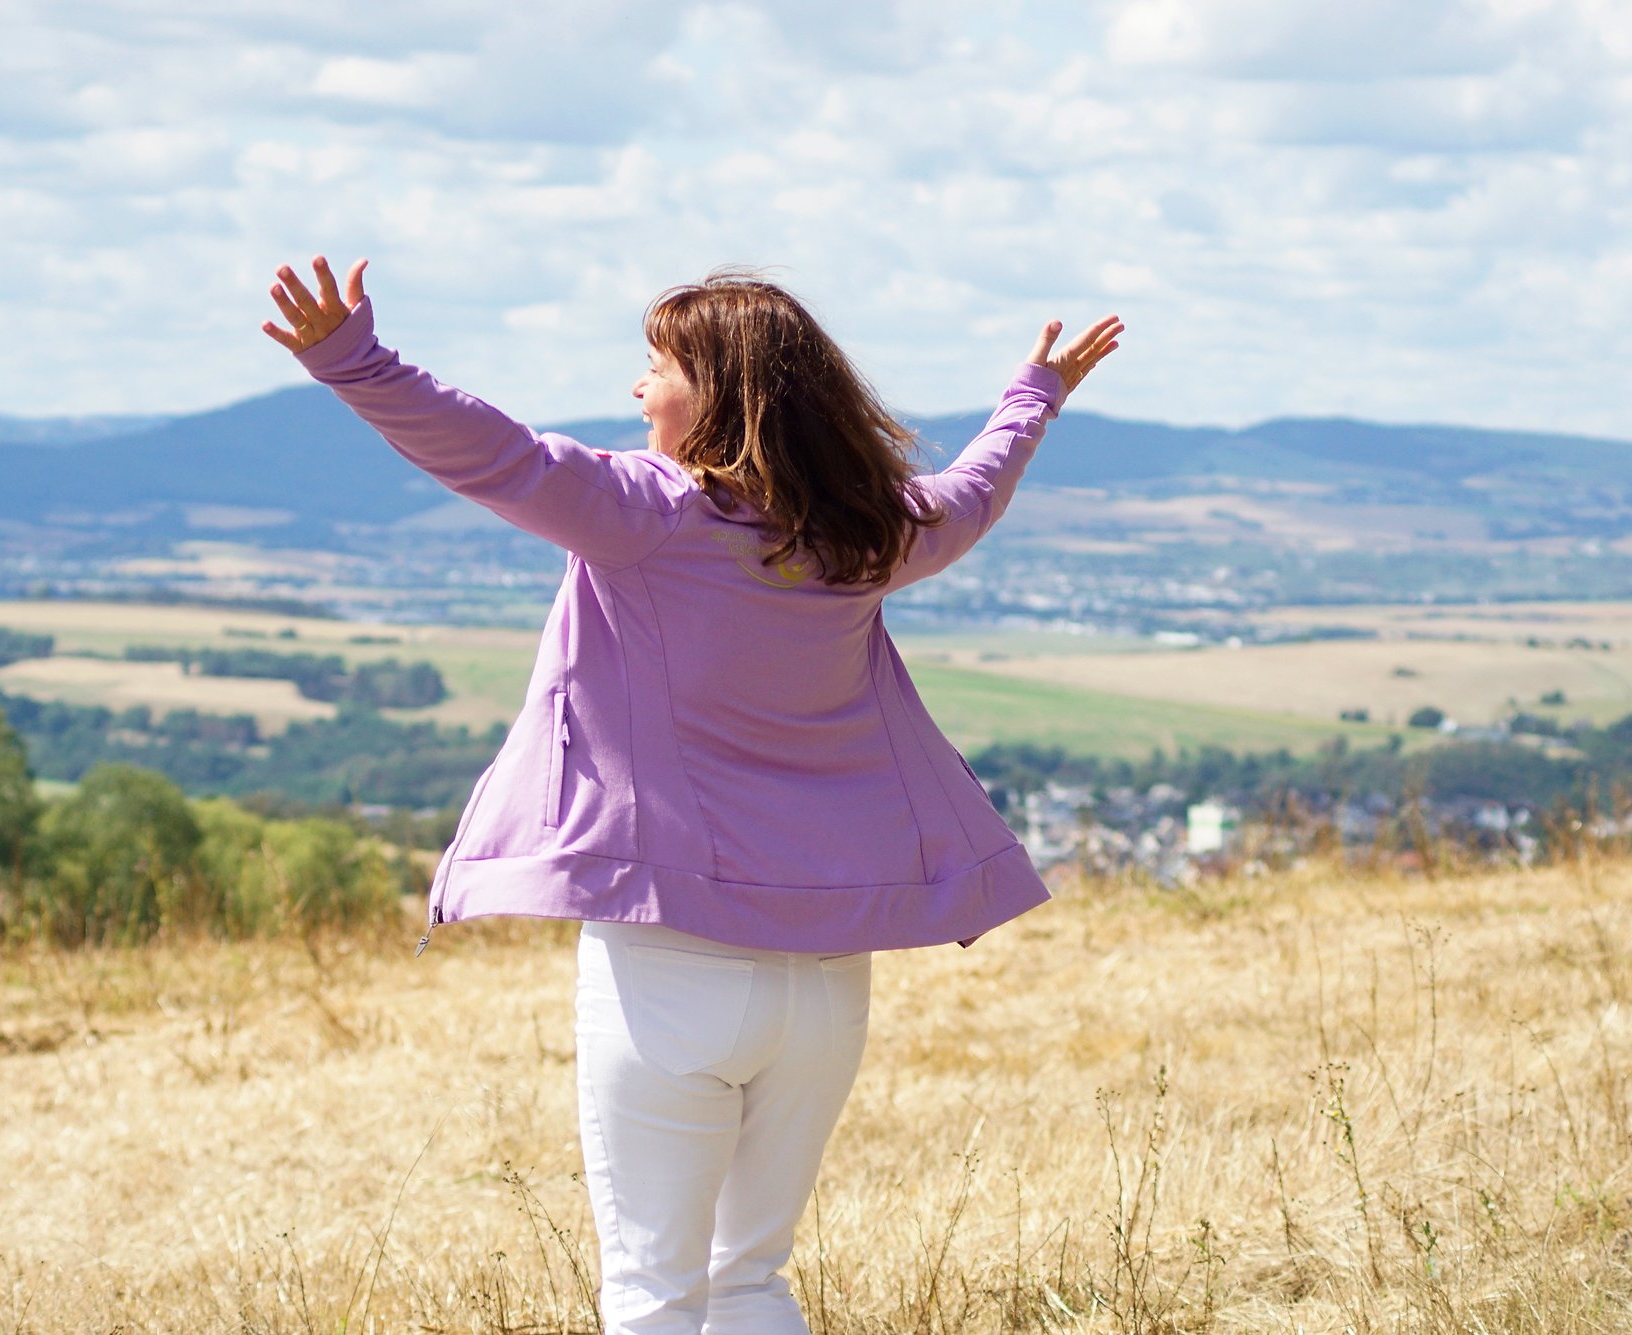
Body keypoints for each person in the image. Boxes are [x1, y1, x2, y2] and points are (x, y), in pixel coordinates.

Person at [262, 257, 1120, 1335]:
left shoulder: (647, 514)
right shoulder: (866, 534)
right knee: (751, 1281)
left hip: (669, 968)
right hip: (824, 985)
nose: (637, 389)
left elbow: (495, 456)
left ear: (717, 394)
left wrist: (354, 362)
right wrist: (1030, 398)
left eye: (657, 365)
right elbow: (970, 493)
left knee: (656, 1295)